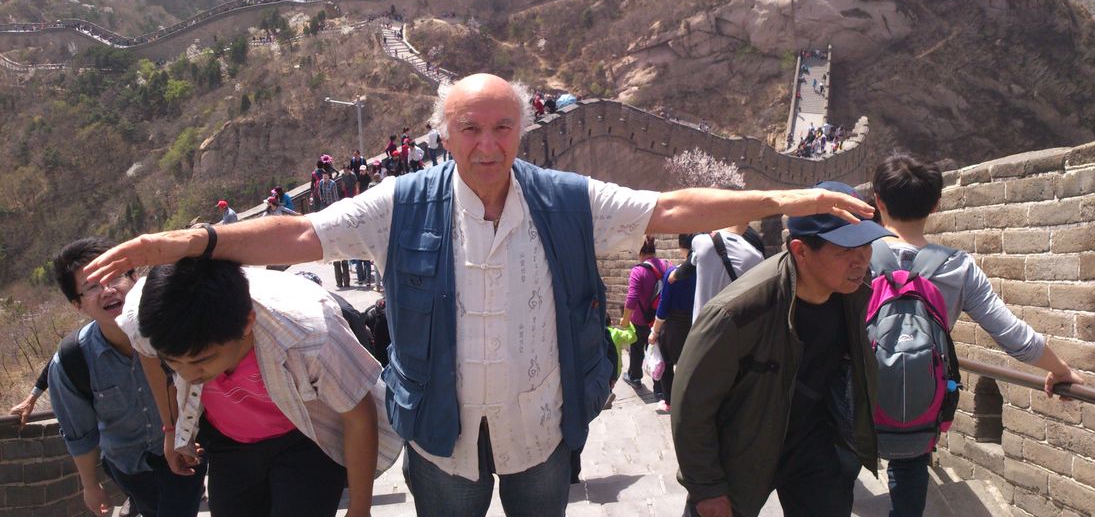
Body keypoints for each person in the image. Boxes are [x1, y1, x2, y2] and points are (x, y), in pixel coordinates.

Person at [84, 73, 873, 517]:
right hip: (439, 437)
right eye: (470, 129)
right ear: (444, 134)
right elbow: (302, 236)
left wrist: (778, 200)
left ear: (523, 130)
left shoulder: (563, 199)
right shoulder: (402, 204)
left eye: (502, 127)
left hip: (539, 430)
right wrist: (191, 243)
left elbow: (665, 209)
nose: (487, 145)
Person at [871, 154, 1084, 517]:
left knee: (836, 471)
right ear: (936, 204)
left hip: (855, 394)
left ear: (877, 200)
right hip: (921, 396)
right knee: (909, 467)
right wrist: (1061, 370)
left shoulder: (854, 254)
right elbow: (1013, 335)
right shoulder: (957, 266)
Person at [672, 181, 892, 517]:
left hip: (812, 444)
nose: (860, 261)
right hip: (743, 446)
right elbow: (691, 404)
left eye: (865, 246)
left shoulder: (849, 295)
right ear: (800, 250)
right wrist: (706, 487)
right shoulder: (737, 312)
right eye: (845, 250)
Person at [117, 260, 401, 517]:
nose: (189, 375)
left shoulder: (308, 336)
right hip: (228, 443)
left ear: (246, 324)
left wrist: (360, 508)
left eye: (201, 361)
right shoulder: (145, 316)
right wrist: (171, 428)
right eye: (174, 362)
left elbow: (358, 415)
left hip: (307, 436)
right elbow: (148, 353)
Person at [48, 237, 206, 517]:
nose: (107, 290)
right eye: (92, 287)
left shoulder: (169, 331)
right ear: (78, 305)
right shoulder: (72, 361)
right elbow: (80, 433)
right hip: (128, 466)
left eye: (115, 277)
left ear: (134, 277)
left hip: (184, 449)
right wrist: (90, 485)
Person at [673, 224, 764, 322]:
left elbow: (686, 267)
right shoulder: (756, 253)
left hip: (705, 325)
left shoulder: (702, 241)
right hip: (739, 322)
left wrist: (674, 275)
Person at [648, 233, 697, 412]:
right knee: (692, 363)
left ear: (680, 246)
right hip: (697, 322)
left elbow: (663, 306)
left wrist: (654, 331)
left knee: (668, 362)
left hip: (674, 325)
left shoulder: (673, 274)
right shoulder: (705, 272)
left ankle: (669, 401)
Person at [618, 236, 670, 401]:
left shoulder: (638, 271)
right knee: (657, 351)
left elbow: (631, 299)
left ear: (640, 252)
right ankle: (659, 389)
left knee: (636, 349)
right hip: (660, 319)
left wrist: (625, 322)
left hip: (641, 320)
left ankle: (635, 377)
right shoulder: (667, 265)